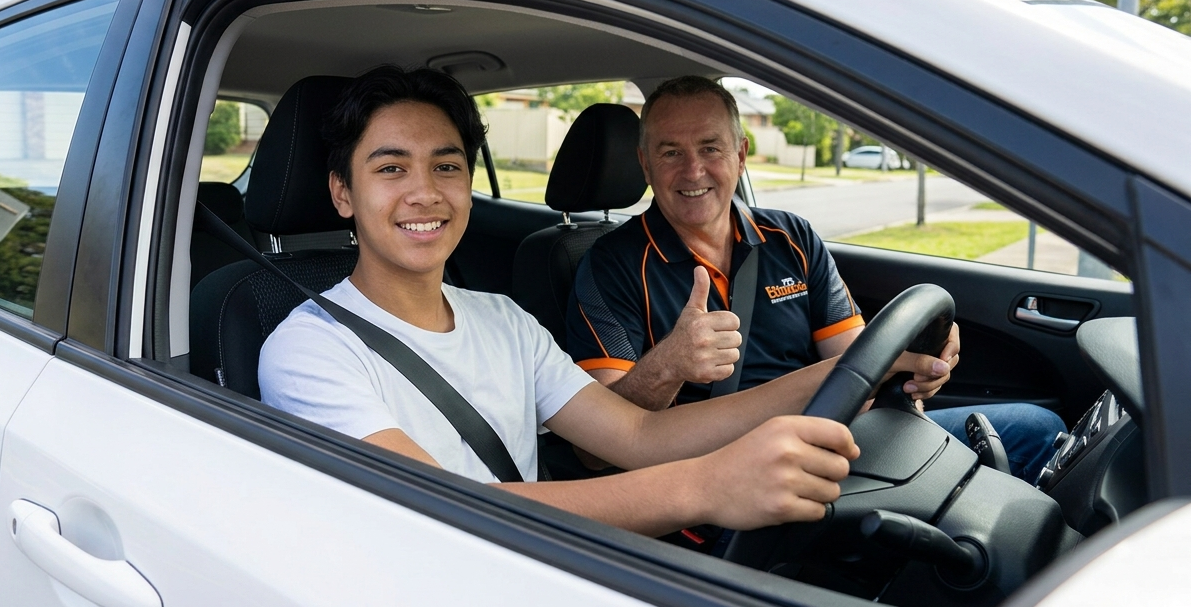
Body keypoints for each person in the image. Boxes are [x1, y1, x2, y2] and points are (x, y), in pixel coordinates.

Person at [258, 65, 957, 537]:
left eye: (447, 165)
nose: (424, 193)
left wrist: (850, 370)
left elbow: (638, 437)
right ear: (343, 193)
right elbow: (441, 511)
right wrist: (707, 486)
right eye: (391, 168)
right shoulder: (308, 347)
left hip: (548, 566)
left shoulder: (505, 321)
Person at [566, 76, 1063, 485]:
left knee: (1036, 430)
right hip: (726, 475)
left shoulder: (792, 238)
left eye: (710, 148)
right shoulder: (611, 265)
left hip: (834, 438)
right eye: (671, 152)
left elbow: (858, 363)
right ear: (645, 163)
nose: (693, 170)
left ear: (741, 155)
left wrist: (916, 365)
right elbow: (597, 448)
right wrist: (669, 365)